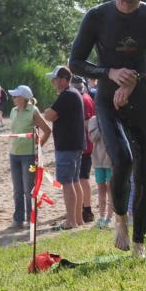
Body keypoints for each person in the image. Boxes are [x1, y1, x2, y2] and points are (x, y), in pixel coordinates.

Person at [69, 0, 146, 259]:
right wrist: (110, 73)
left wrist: (136, 80)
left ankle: (140, 241)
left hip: (141, 98)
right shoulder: (97, 16)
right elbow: (75, 62)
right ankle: (119, 218)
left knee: (145, 172)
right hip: (106, 97)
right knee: (123, 160)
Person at [42, 66, 85, 231]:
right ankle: (78, 219)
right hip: (75, 144)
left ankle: (71, 221)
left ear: (62, 80)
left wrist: (48, 111)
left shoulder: (66, 96)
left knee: (67, 183)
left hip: (67, 145)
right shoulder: (74, 94)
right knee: (74, 181)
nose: (53, 83)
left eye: (55, 80)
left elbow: (49, 115)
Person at [8, 85, 51, 230]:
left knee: (29, 189)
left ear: (23, 98)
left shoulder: (33, 110)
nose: (13, 98)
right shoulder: (13, 111)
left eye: (16, 96)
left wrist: (38, 148)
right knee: (17, 190)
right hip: (14, 154)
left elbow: (47, 130)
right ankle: (18, 219)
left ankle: (31, 218)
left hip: (29, 156)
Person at [72, 75, 96, 223]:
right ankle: (81, 207)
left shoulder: (84, 99)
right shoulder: (85, 97)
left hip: (85, 145)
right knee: (80, 178)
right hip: (84, 144)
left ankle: (87, 210)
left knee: (82, 178)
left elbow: (87, 123)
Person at [88, 112, 112, 228]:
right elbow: (93, 138)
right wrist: (103, 124)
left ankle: (110, 217)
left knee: (111, 188)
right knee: (101, 188)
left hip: (111, 160)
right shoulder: (93, 120)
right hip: (98, 160)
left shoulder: (113, 116)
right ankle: (102, 216)